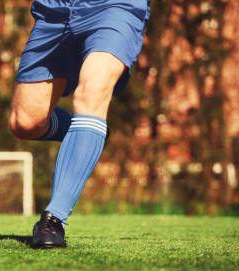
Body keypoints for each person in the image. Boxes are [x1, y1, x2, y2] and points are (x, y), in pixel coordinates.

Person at [8, 0, 150, 248]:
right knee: (26, 122)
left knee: (92, 93)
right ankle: (88, 131)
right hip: (54, 10)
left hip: (114, 6)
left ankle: (53, 219)